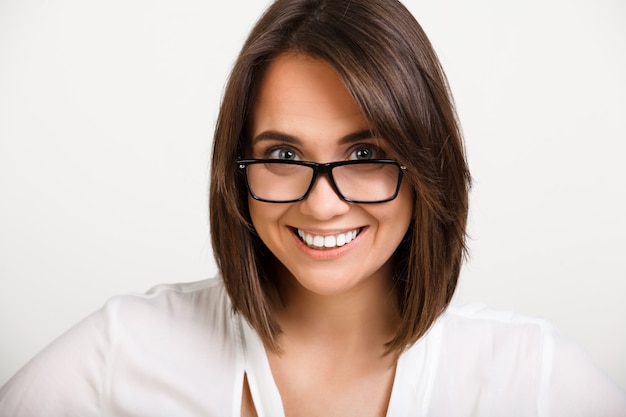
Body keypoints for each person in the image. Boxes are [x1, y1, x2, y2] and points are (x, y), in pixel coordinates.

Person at [1, 0, 625, 415]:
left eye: (364, 154)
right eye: (283, 155)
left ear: (424, 165)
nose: (323, 205)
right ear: (236, 169)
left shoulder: (532, 379)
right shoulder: (123, 353)